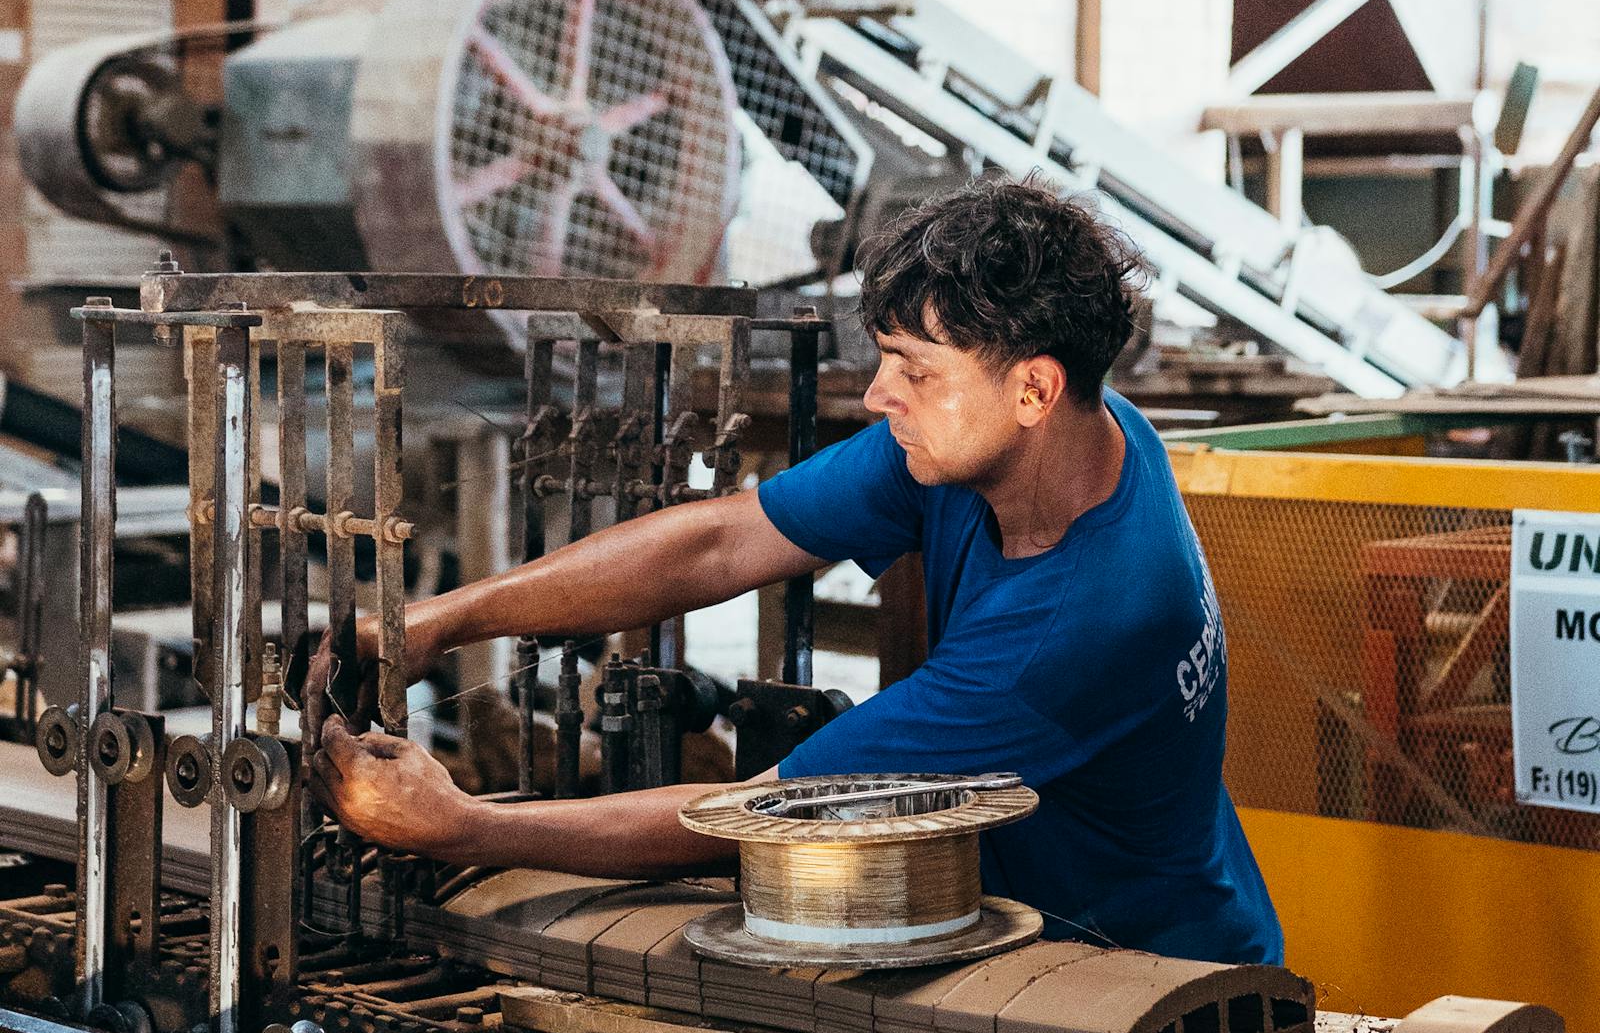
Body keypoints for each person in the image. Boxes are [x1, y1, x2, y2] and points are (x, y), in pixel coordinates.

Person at [307, 177, 1283, 966]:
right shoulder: (1051, 439)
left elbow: (763, 812)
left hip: (1140, 974)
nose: (876, 392)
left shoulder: (1081, 624)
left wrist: (462, 826)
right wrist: (439, 618)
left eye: (914, 368)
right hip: (1051, 914)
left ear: (1033, 386)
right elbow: (724, 539)